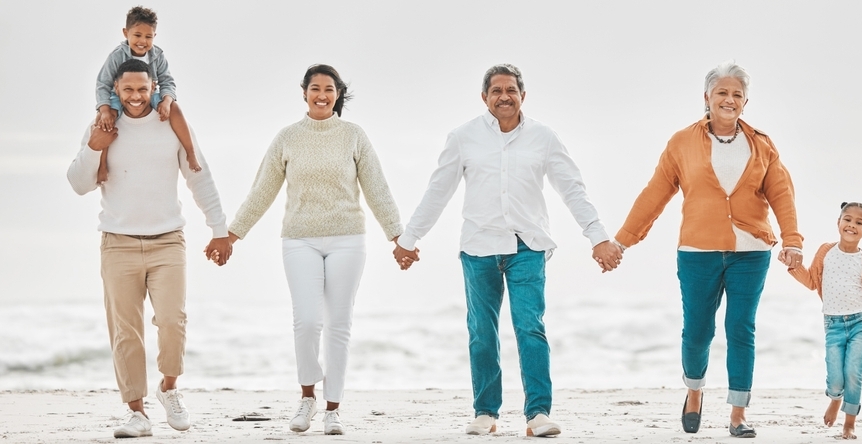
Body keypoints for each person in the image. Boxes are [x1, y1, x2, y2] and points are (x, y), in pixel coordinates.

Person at [392, 63, 622, 437]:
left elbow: (572, 189)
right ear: (485, 98)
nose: (504, 96)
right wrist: (409, 238)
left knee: (530, 326)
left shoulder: (544, 138)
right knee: (482, 331)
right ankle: (486, 412)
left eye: (511, 90)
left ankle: (538, 414)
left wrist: (597, 236)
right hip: (479, 246)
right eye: (496, 91)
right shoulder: (463, 137)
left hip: (527, 246)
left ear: (523, 96)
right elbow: (439, 191)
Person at [611, 61, 803, 438]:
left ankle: (737, 413)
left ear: (746, 101)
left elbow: (782, 193)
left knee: (740, 327)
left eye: (736, 94)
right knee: (698, 331)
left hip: (751, 251)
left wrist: (792, 240)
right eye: (722, 93)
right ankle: (694, 391)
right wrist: (622, 240)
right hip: (698, 250)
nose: (729, 100)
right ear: (707, 98)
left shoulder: (762, 144)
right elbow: (655, 193)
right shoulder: (682, 143)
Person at [221, 64, 404, 435]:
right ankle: (307, 397)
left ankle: (333, 408)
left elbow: (377, 189)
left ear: (338, 95)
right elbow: (262, 191)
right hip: (299, 238)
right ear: (304, 92)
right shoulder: (288, 138)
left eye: (330, 89)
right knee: (306, 322)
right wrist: (232, 234)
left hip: (347, 238)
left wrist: (398, 237)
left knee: (339, 324)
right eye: (315, 88)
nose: (322, 95)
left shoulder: (353, 135)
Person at [67, 58, 231, 438]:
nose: (136, 97)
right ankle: (137, 412)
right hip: (118, 244)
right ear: (116, 91)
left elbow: (198, 177)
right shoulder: (102, 125)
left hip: (167, 240)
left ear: (154, 86)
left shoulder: (170, 122)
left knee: (173, 321)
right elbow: (78, 183)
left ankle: (169, 388)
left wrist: (219, 229)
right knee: (126, 331)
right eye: (128, 90)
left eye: (143, 89)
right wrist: (95, 147)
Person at [788, 202, 862, 440]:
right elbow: (812, 281)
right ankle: (835, 398)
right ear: (838, 222)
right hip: (833, 324)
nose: (852, 225)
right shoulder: (825, 251)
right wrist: (794, 266)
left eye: (859, 222)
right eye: (848, 219)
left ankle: (849, 423)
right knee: (835, 378)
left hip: (861, 323)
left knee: (853, 373)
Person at [94, 6, 200, 184]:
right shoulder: (116, 56)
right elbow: (103, 83)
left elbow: (167, 81)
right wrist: (105, 109)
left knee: (175, 108)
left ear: (154, 37)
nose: (142, 41)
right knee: (103, 121)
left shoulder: (157, 55)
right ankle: (102, 165)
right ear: (126, 33)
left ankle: (190, 153)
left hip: (149, 95)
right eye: (137, 35)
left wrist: (166, 101)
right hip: (119, 97)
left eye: (148, 36)